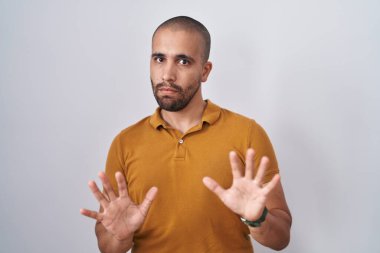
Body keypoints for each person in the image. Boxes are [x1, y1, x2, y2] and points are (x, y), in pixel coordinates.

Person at [80, 16, 292, 253]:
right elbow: (108, 248)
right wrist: (120, 237)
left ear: (205, 70)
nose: (167, 74)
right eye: (159, 59)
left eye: (183, 61)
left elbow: (281, 238)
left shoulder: (248, 133)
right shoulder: (125, 142)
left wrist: (257, 218)